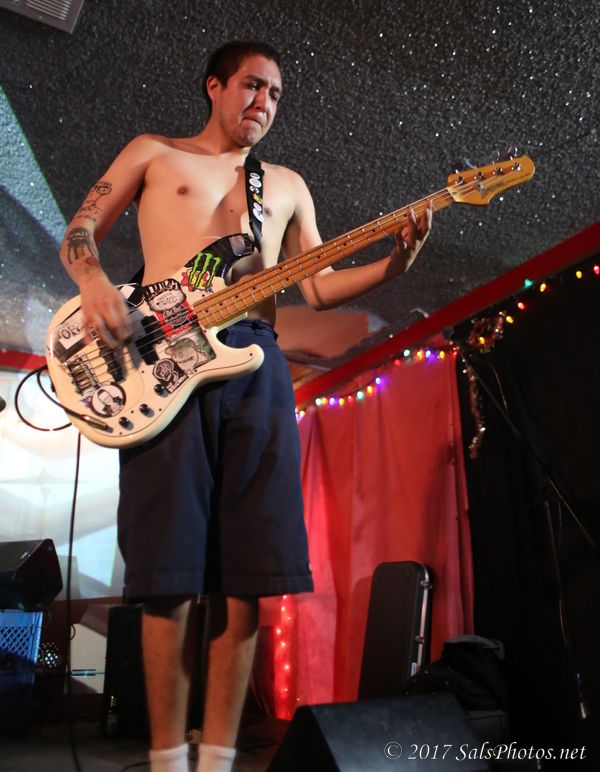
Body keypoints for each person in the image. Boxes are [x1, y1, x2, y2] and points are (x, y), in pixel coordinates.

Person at [59, 41, 432, 772]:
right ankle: (169, 759)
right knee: (167, 577)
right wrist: (96, 284)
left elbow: (316, 285)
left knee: (249, 577)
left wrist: (398, 261)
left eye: (276, 94)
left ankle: (220, 759)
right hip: (162, 360)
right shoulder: (154, 152)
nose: (264, 102)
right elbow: (80, 231)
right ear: (215, 86)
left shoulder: (285, 185)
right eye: (253, 86)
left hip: (255, 362)